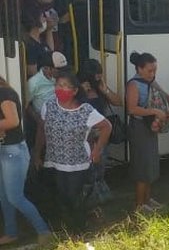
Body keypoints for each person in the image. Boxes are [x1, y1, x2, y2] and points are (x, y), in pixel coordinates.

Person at [34, 71, 111, 233]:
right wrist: (37, 153)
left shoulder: (85, 110)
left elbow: (106, 126)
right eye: (58, 85)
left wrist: (97, 151)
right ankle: (63, 230)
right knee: (58, 198)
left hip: (77, 165)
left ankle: (78, 231)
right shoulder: (49, 105)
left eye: (64, 86)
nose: (60, 89)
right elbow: (42, 129)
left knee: (74, 200)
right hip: (53, 162)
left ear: (75, 90)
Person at [0, 76, 52, 246]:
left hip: (12, 152)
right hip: (6, 150)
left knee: (15, 197)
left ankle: (43, 231)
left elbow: (13, 121)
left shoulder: (4, 93)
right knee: (4, 196)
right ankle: (11, 232)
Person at [126, 52, 169, 212]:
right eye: (149, 70)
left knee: (150, 165)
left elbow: (162, 93)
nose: (152, 74)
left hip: (149, 128)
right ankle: (140, 205)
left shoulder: (150, 80)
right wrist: (154, 111)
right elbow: (132, 109)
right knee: (142, 167)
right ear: (139, 69)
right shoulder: (134, 84)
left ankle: (148, 200)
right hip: (140, 128)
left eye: (154, 70)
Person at [77, 59, 122, 202]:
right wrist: (80, 92)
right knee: (87, 170)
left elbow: (118, 101)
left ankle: (98, 195)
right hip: (85, 136)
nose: (98, 78)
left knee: (100, 167)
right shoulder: (77, 88)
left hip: (101, 134)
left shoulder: (99, 87)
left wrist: (105, 90)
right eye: (96, 75)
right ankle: (87, 197)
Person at [26, 51, 68, 152]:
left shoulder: (62, 78)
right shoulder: (33, 83)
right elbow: (26, 104)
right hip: (44, 123)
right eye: (58, 69)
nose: (61, 72)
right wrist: (38, 120)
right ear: (46, 68)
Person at [22, 6, 55, 78]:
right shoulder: (30, 44)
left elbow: (50, 53)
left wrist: (49, 30)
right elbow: (32, 72)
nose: (46, 19)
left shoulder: (40, 40)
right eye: (43, 16)